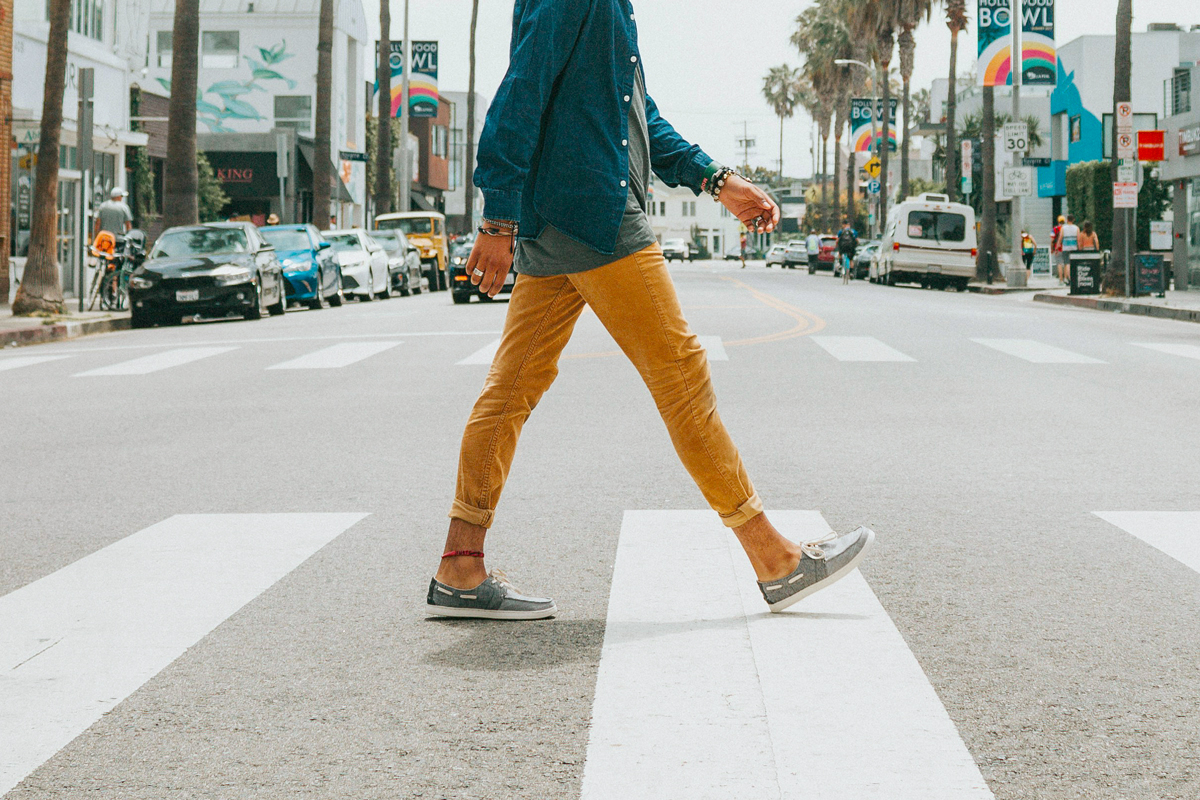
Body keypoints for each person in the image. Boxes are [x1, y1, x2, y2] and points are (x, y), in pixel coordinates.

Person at [427, 0, 874, 621]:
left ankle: (460, 564)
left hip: (561, 214)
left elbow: (639, 120)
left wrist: (718, 181)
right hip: (595, 215)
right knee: (680, 375)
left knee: (511, 390)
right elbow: (520, 93)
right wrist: (497, 216)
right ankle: (775, 559)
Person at [1059, 214, 1080, 283]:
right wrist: (1079, 248)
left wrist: (1057, 247)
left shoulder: (1063, 228)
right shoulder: (1076, 228)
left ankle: (1067, 277)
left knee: (1066, 263)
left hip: (1065, 247)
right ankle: (1071, 276)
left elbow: (1060, 238)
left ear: (1067, 220)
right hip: (1074, 247)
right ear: (1073, 220)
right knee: (1072, 263)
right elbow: (1078, 239)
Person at [836, 220, 858, 284]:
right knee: (851, 260)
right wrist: (855, 246)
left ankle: (840, 265)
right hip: (851, 248)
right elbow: (856, 240)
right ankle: (851, 272)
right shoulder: (854, 231)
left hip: (843, 247)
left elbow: (837, 240)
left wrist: (837, 247)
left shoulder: (841, 231)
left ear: (844, 225)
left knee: (840, 254)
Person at [1051, 215, 1065, 283]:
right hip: (1066, 247)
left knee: (1059, 264)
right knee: (1066, 263)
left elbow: (1052, 239)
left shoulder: (1055, 229)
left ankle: (1061, 279)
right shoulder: (1066, 228)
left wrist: (1052, 248)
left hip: (1058, 248)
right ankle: (1066, 278)